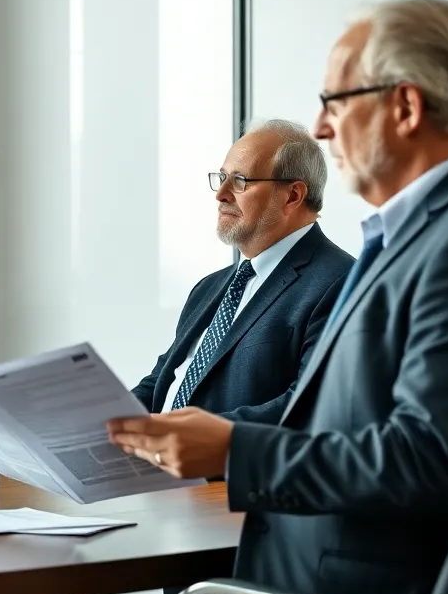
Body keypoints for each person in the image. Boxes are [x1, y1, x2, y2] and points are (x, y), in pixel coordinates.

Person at [110, 0, 448, 594]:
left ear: (405, 106)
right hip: (285, 578)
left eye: (336, 101)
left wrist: (235, 450)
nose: (321, 128)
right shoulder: (421, 233)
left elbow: (429, 459)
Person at [130, 119, 353, 424]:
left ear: (292, 196)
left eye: (239, 180)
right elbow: (162, 383)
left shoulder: (341, 282)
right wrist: (103, 419)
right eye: (222, 178)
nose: (221, 194)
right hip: (157, 453)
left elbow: (312, 404)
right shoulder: (208, 288)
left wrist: (192, 435)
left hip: (224, 456)